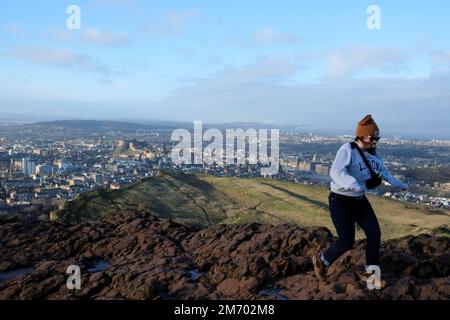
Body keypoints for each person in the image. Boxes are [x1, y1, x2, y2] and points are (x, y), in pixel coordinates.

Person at [312, 114, 408, 286]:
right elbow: (336, 172)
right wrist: (357, 185)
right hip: (340, 201)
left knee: (374, 233)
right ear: (365, 136)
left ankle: (372, 278)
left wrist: (399, 184)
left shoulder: (373, 155)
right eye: (374, 138)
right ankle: (321, 261)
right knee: (346, 241)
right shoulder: (347, 150)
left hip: (359, 200)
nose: (376, 142)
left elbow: (383, 172)